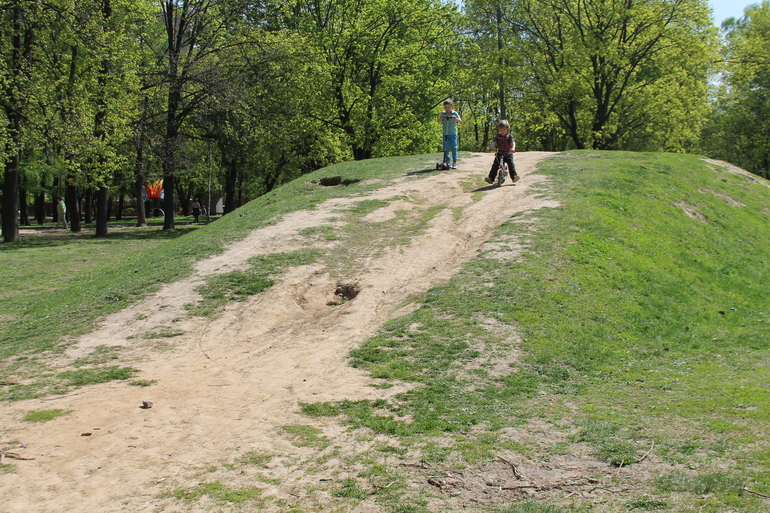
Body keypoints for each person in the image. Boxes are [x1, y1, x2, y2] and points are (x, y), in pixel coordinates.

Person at [485, 120, 519, 184]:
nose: (502, 131)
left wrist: (512, 148)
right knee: (495, 165)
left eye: (504, 129)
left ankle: (514, 177)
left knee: (511, 165)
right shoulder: (497, 137)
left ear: (507, 129)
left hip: (508, 153)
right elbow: (494, 143)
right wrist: (492, 147)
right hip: (500, 153)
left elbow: (513, 143)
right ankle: (491, 178)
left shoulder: (510, 136)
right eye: (500, 130)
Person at [437, 98, 462, 169]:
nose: (447, 109)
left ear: (452, 106)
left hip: (453, 133)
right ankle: (447, 161)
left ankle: (454, 162)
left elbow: (460, 121)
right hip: (445, 133)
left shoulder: (454, 113)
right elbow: (439, 121)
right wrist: (441, 118)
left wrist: (455, 118)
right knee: (446, 148)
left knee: (454, 148)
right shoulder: (443, 113)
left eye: (448, 107)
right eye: (445, 107)